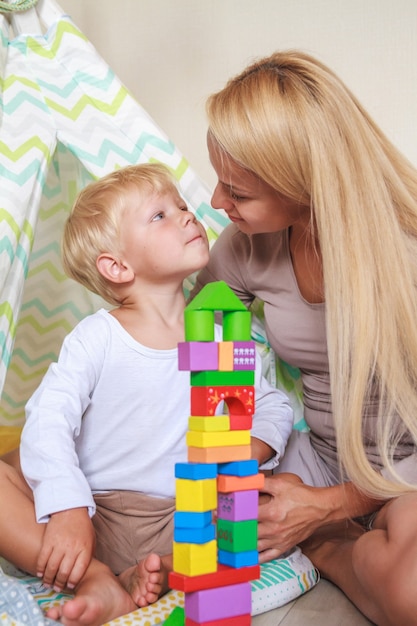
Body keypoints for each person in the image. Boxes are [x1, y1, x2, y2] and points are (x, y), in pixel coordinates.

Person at [0, 163, 293, 626]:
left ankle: (155, 572)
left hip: (184, 520)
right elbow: (49, 416)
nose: (187, 215)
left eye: (182, 205)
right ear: (117, 266)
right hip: (95, 516)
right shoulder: (98, 337)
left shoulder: (217, 340)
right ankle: (96, 576)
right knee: (9, 472)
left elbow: (274, 402)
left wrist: (252, 445)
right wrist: (69, 508)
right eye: (160, 215)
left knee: (272, 505)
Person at [191, 50, 417, 626]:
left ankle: (319, 543)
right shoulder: (245, 246)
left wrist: (325, 511)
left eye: (237, 192)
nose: (218, 204)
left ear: (305, 185)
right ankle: (322, 535)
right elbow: (199, 328)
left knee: (410, 592)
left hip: (401, 473)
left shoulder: (405, 254)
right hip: (310, 456)